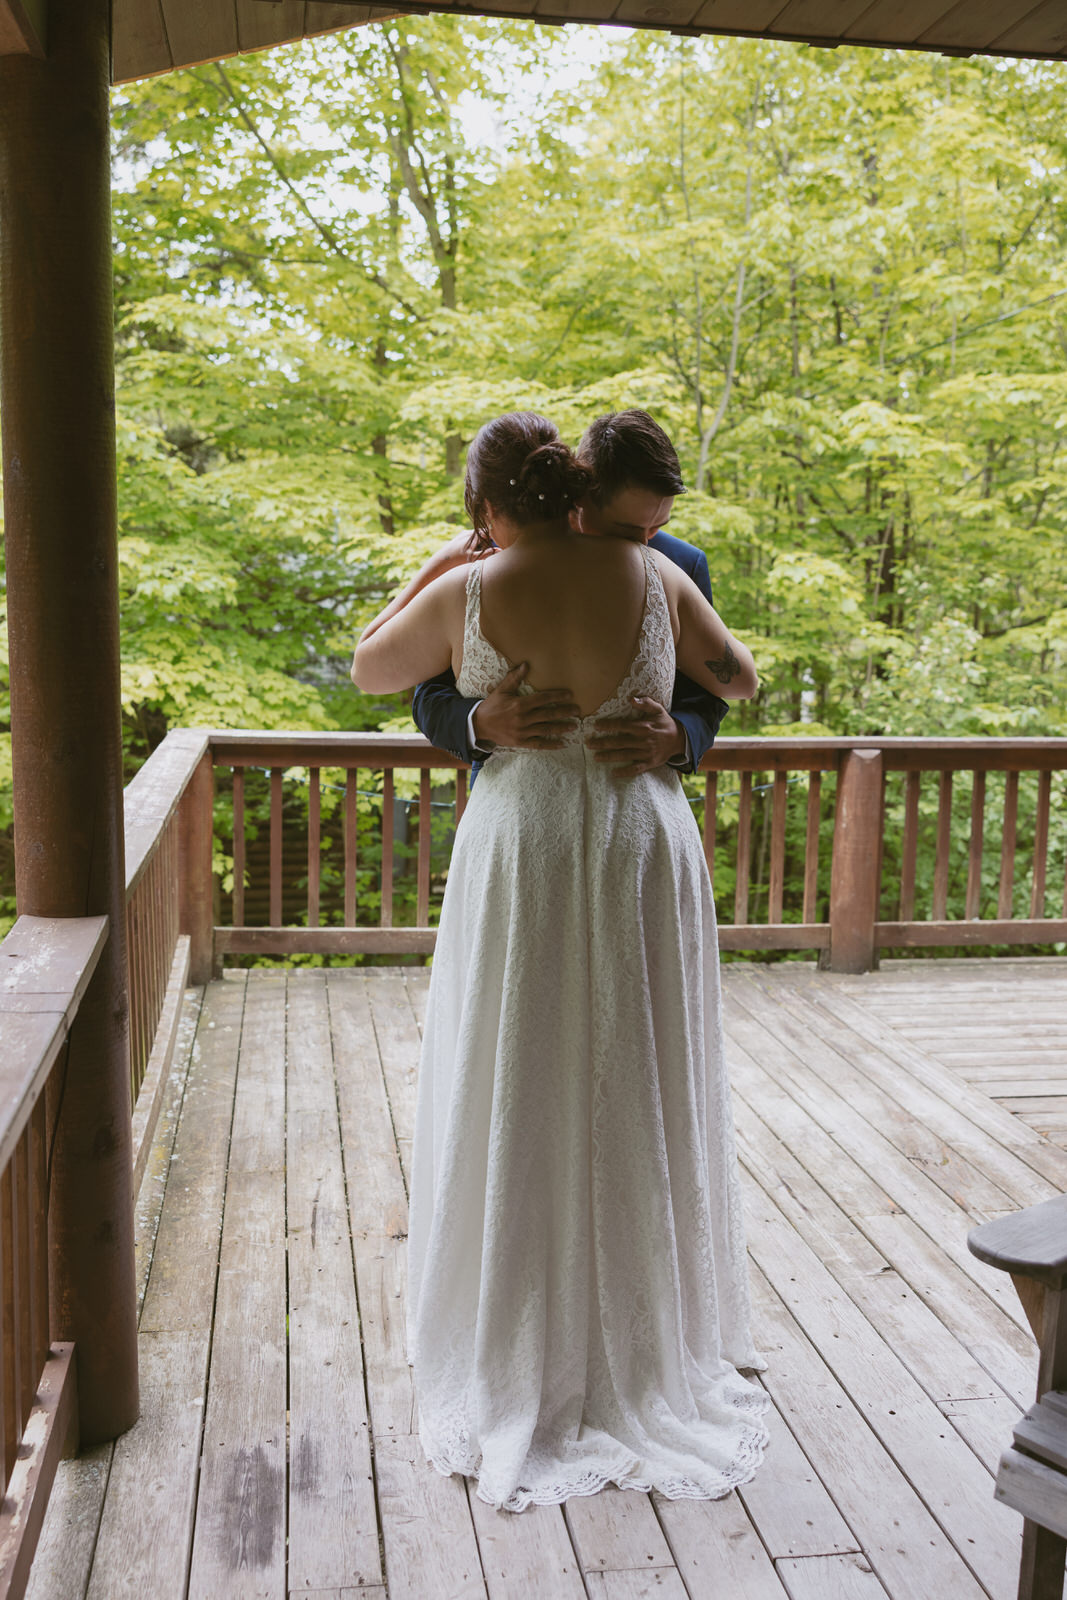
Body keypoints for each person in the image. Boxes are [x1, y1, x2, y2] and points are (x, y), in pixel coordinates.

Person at [351, 411, 768, 1513]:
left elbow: (368, 667)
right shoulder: (653, 573)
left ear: (487, 506)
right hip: (631, 836)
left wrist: (447, 559)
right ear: (576, 488)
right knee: (591, 1061)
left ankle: (531, 1339)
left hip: (531, 843)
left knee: (540, 1060)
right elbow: (738, 674)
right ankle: (635, 1349)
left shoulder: (472, 584)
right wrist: (486, 720)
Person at [404, 409, 729, 780]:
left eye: (657, 526)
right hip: (512, 804)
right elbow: (428, 691)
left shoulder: (681, 563)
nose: (643, 544)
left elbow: (708, 689)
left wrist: (679, 736)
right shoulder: (497, 557)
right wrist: (475, 722)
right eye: (626, 527)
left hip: (637, 798)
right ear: (582, 491)